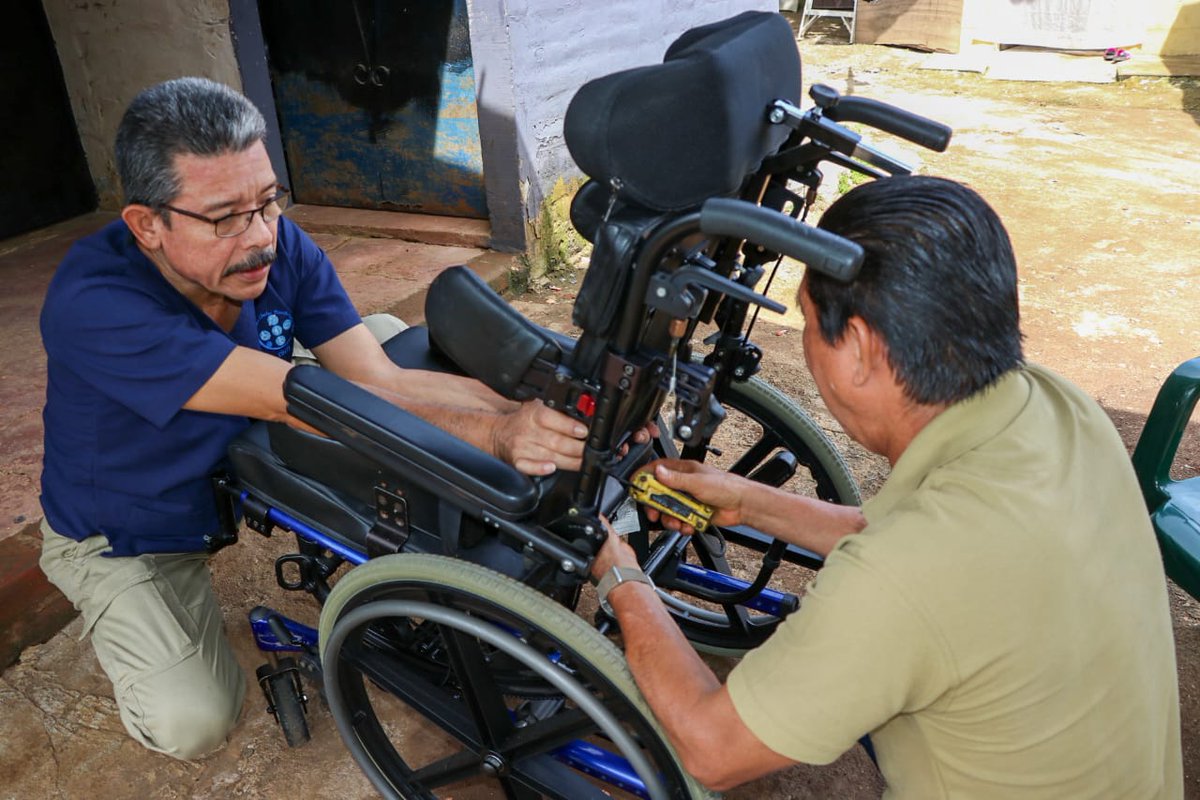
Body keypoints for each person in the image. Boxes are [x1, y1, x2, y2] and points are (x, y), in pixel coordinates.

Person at [37, 76, 597, 760]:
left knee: (385, 339)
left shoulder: (275, 245)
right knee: (195, 721)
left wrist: (529, 413)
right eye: (225, 218)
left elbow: (375, 378)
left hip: (239, 447)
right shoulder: (95, 305)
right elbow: (302, 401)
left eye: (267, 202)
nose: (261, 237)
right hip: (133, 526)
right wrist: (499, 436)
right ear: (147, 224)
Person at [592, 175, 1183, 797]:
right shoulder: (1057, 408)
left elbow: (710, 750)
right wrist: (750, 501)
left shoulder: (901, 579)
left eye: (809, 322)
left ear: (860, 350)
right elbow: (923, 551)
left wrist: (622, 578)